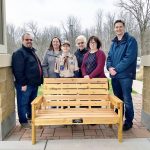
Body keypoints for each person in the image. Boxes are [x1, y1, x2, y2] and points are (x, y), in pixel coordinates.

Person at [106, 20, 138, 131]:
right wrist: (109, 67)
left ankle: (129, 122)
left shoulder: (131, 41)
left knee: (127, 99)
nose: (118, 29)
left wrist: (116, 69)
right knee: (118, 99)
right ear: (114, 29)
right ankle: (119, 116)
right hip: (115, 76)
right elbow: (109, 57)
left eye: (120, 27)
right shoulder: (114, 43)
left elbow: (129, 58)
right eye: (116, 27)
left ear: (124, 27)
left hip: (125, 76)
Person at [12, 33, 43, 128]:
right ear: (22, 40)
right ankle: (23, 121)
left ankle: (30, 117)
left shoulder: (31, 52)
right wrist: (23, 84)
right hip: (25, 85)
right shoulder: (19, 53)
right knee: (23, 103)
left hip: (34, 84)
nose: (29, 41)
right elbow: (18, 70)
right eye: (27, 39)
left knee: (31, 103)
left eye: (30, 40)